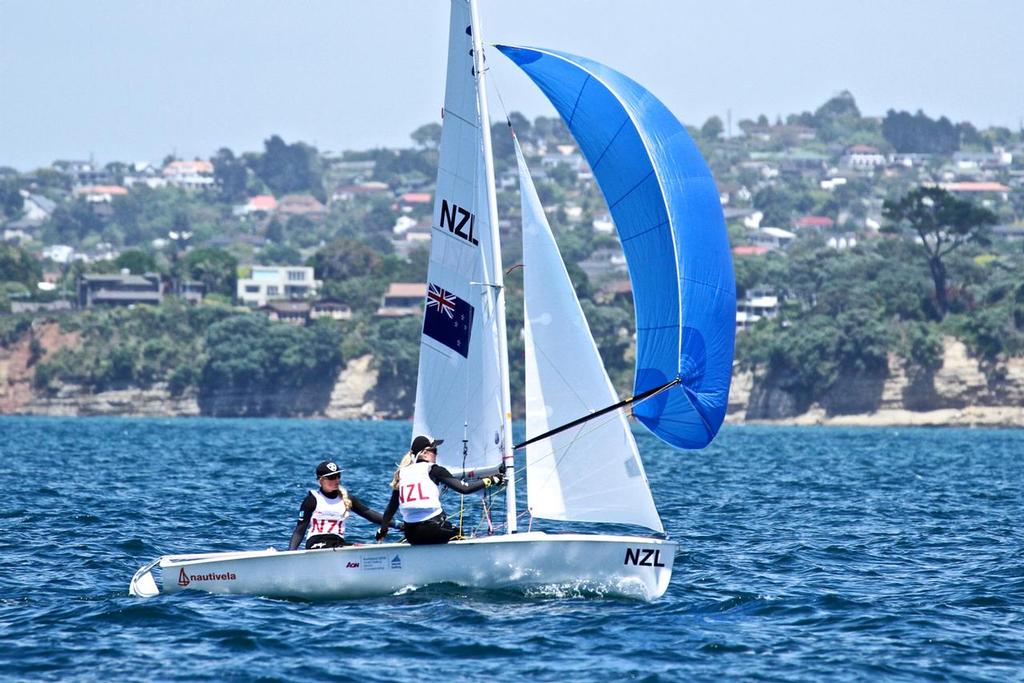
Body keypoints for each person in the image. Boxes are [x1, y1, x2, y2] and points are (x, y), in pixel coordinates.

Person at [376, 435, 504, 545]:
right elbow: (465, 489)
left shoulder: (402, 473)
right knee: (458, 532)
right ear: (424, 453)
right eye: (434, 450)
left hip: (411, 535)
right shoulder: (433, 469)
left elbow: (391, 508)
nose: (436, 454)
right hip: (432, 530)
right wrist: (492, 480)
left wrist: (383, 529)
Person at [288, 460, 394, 550]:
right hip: (316, 544)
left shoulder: (346, 498)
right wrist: (290, 554)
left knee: (358, 547)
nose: (337, 480)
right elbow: (299, 531)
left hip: (338, 543)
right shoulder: (312, 500)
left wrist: (397, 524)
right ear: (321, 480)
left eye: (338, 476)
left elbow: (369, 514)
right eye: (332, 477)